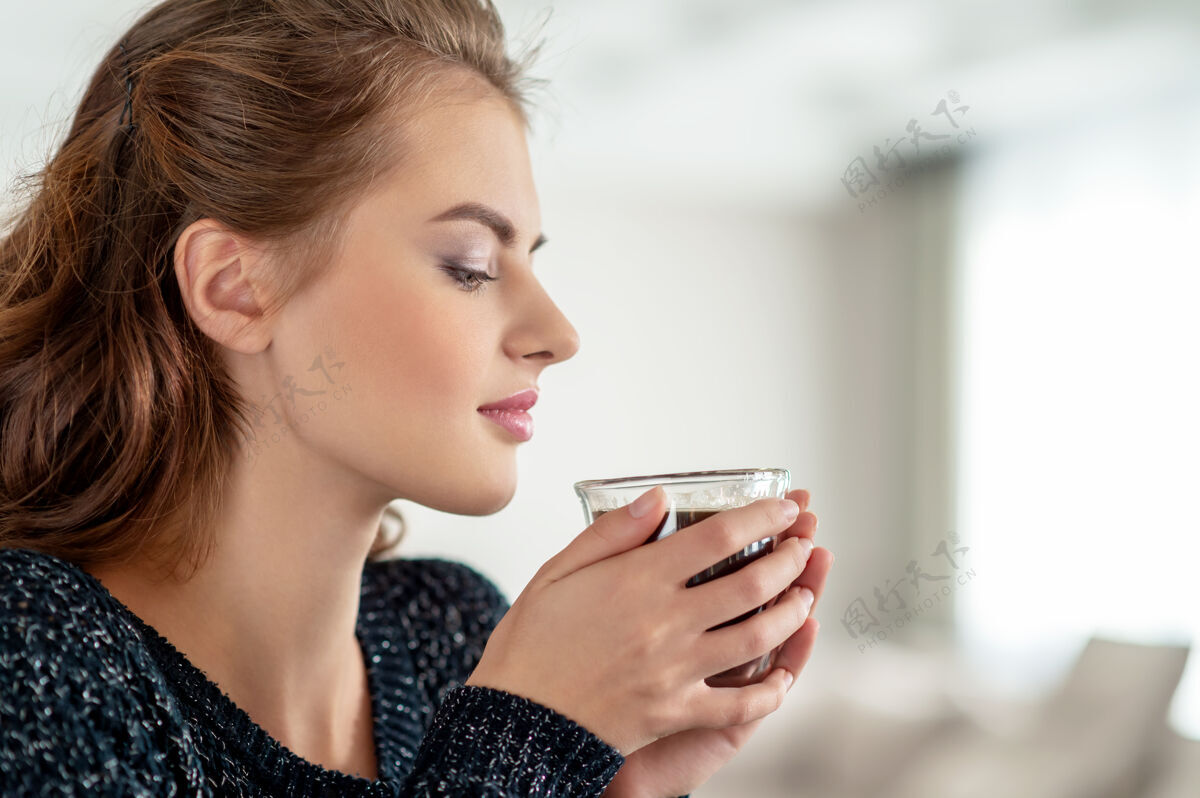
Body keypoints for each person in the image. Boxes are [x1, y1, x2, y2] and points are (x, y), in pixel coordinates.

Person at [0, 0, 834, 795]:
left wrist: (616, 790)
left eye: (531, 262)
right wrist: (528, 740)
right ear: (234, 289)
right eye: (470, 265)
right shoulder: (32, 644)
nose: (558, 333)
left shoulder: (451, 631)